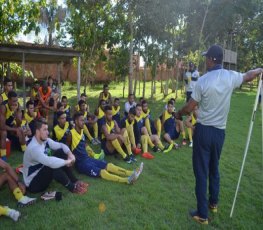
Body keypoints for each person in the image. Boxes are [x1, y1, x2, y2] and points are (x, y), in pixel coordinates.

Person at [175, 44, 263, 225]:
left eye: (206, 57)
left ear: (211, 59)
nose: (205, 60)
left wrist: (178, 113)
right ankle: (213, 203)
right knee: (214, 168)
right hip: (220, 133)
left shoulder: (203, 81)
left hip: (204, 131)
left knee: (201, 172)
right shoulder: (231, 76)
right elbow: (248, 75)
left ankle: (202, 214)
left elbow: (190, 107)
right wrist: (260, 69)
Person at [67, 112, 143, 184]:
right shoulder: (71, 134)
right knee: (102, 172)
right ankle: (126, 180)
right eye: (81, 120)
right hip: (81, 164)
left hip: (87, 158)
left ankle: (132, 172)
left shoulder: (82, 130)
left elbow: (84, 144)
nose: (83, 122)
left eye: (84, 120)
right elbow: (67, 149)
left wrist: (93, 154)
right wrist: (70, 162)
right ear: (76, 121)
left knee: (109, 165)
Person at [23, 118, 87, 194]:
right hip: (33, 184)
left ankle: (75, 180)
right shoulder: (34, 148)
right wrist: (67, 162)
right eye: (45, 130)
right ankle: (72, 187)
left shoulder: (44, 140)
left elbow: (61, 145)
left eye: (47, 129)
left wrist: (70, 154)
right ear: (37, 132)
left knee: (61, 152)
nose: (48, 132)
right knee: (52, 166)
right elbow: (50, 162)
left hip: (42, 171)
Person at [0, 91, 27, 158]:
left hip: (9, 126)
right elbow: (2, 126)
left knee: (20, 129)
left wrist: (16, 115)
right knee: (4, 133)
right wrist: (14, 129)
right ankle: (3, 156)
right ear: (8, 100)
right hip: (2, 127)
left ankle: (25, 150)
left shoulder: (18, 106)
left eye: (16, 100)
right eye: (13, 101)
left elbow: (19, 124)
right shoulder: (3, 107)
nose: (15, 103)